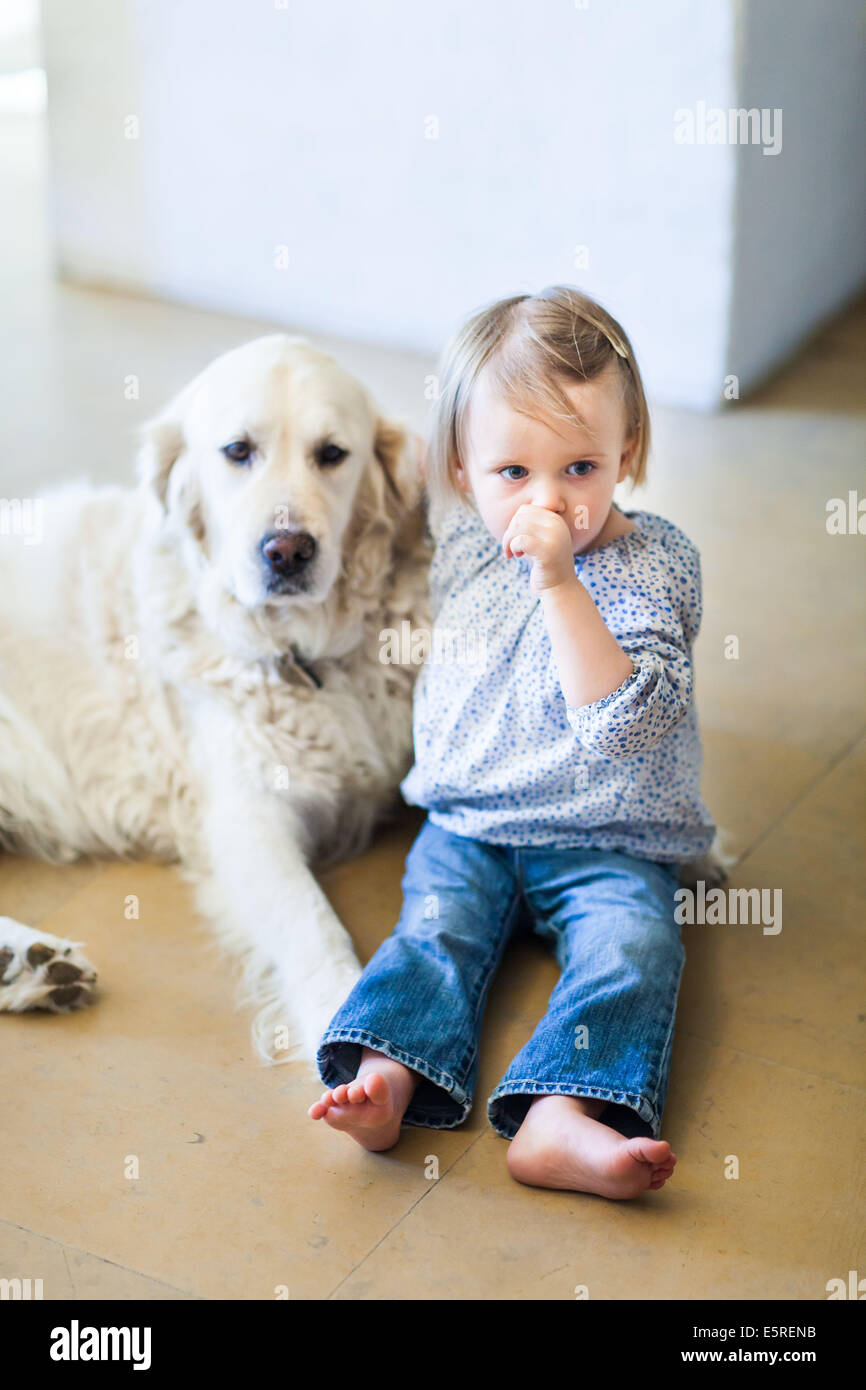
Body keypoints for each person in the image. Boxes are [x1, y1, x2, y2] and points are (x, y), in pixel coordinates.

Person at [308, 285, 716, 1199]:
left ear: (629, 454)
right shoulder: (461, 540)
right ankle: (387, 1074)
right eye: (512, 474)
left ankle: (564, 1116)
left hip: (611, 831)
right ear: (462, 473)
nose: (548, 501)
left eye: (580, 467)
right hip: (470, 820)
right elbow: (374, 477)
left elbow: (626, 724)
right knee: (433, 933)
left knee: (633, 950)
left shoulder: (656, 564)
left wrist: (563, 583)